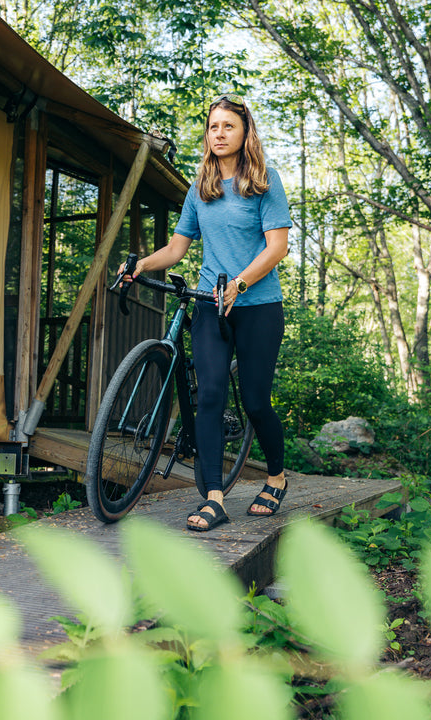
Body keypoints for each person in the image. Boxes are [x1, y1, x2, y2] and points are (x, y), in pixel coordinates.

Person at [121, 94, 291, 531]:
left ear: (244, 133)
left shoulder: (265, 182)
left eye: (228, 126)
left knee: (255, 401)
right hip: (209, 305)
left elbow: (277, 248)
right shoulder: (200, 189)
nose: (219, 133)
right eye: (213, 127)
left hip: (257, 306)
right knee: (209, 396)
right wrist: (140, 264)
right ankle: (214, 498)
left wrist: (239, 284)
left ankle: (276, 477)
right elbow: (178, 249)